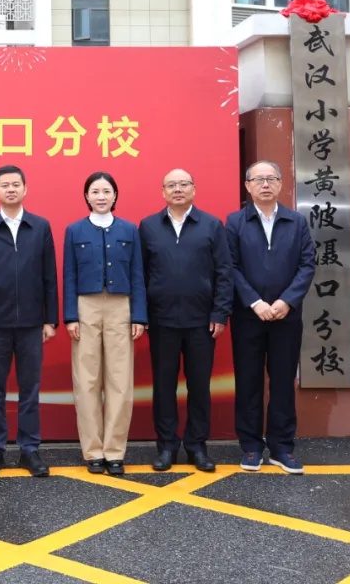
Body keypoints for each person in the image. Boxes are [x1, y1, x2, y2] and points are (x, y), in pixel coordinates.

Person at [138, 169, 233, 473]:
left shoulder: (211, 225)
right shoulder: (149, 226)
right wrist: (141, 314)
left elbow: (224, 272)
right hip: (161, 320)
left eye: (183, 184)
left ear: (194, 189)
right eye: (171, 185)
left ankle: (197, 445)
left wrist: (220, 313)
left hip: (201, 322)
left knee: (199, 386)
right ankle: (166, 446)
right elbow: (140, 274)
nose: (177, 189)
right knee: (163, 386)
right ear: (163, 192)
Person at [226, 161, 315, 475]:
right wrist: (254, 302)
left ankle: (282, 447)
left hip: (285, 317)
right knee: (248, 382)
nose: (265, 184)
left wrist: (286, 301)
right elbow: (230, 267)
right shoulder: (235, 222)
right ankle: (251, 447)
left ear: (280, 184)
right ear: (248, 186)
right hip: (248, 317)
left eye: (271, 178)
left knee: (282, 382)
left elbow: (307, 265)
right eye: (258, 179)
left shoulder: (296, 221)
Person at [0, 165, 58, 479]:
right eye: (5, 185)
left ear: (25, 189)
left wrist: (51, 319)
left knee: (29, 390)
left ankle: (29, 450)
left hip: (32, 324)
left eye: (16, 184)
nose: (10, 189)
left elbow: (49, 276)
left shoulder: (40, 226)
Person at [63, 171, 147, 477]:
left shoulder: (129, 229)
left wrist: (139, 316)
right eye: (95, 191)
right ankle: (93, 451)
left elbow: (137, 274)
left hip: (119, 306)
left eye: (106, 191)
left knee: (119, 380)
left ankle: (114, 451)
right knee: (86, 380)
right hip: (85, 306)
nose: (101, 196)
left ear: (115, 196)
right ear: (86, 196)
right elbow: (69, 274)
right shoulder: (75, 230)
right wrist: (70, 316)